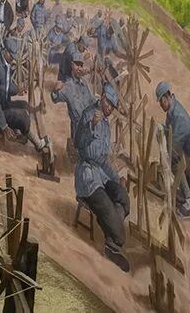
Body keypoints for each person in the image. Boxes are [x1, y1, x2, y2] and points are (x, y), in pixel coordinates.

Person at [75, 83, 130, 271]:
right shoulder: (89, 114)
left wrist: (115, 178)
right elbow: (78, 143)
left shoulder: (106, 125)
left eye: (113, 106)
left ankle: (110, 239)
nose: (110, 108)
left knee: (123, 198)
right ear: (103, 98)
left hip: (102, 174)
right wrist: (91, 125)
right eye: (109, 104)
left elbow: (104, 160)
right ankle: (114, 242)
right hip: (88, 177)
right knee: (120, 232)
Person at [0, 43, 52, 154]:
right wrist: (4, 126)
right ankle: (39, 144)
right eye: (11, 56)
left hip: (3, 104)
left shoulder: (5, 63)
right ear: (5, 51)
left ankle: (20, 132)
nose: (12, 60)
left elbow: (6, 86)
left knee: (24, 105)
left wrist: (18, 89)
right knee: (22, 116)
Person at [156, 81, 190, 218]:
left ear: (167, 97)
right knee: (172, 157)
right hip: (186, 162)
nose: (160, 105)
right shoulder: (172, 112)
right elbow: (169, 134)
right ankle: (182, 192)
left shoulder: (179, 117)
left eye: (160, 101)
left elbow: (173, 148)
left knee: (173, 160)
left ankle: (189, 204)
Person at [51, 52, 95, 145]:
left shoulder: (84, 83)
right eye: (77, 65)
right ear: (72, 65)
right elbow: (55, 98)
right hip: (78, 129)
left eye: (81, 65)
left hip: (90, 125)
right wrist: (55, 90)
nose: (79, 68)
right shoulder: (68, 86)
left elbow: (92, 101)